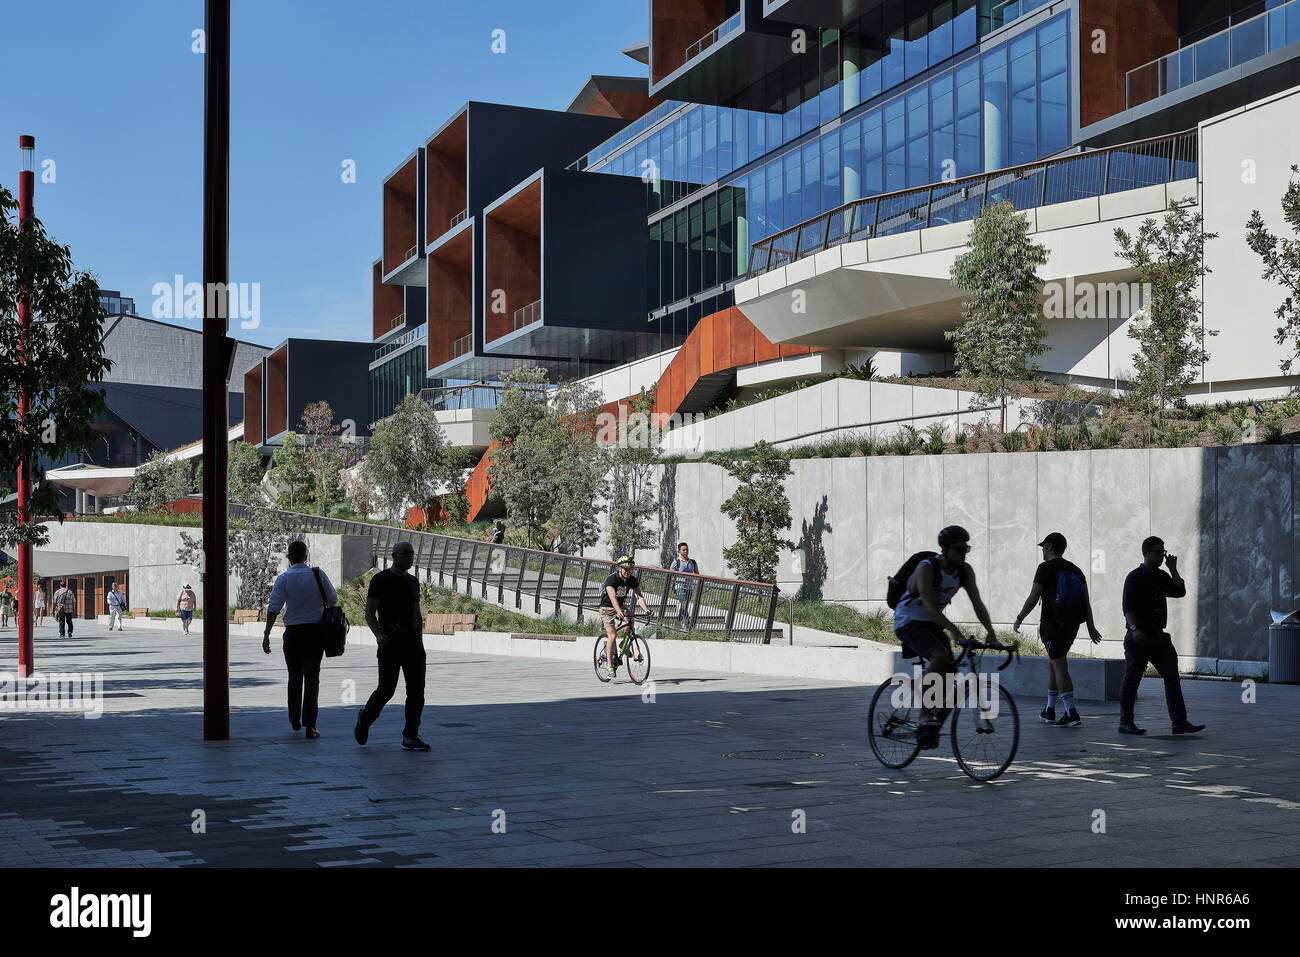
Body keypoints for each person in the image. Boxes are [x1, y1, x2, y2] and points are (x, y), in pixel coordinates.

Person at [892, 525, 998, 748]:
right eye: (959, 549)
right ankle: (923, 714)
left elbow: (977, 603)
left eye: (966, 549)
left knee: (951, 672)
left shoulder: (965, 571)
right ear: (945, 549)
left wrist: (990, 632)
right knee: (940, 655)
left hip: (930, 622)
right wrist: (954, 631)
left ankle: (931, 720)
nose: (963, 554)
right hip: (908, 619)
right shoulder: (927, 568)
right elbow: (929, 606)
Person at [1013, 532, 1102, 727]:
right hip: (1071, 625)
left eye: (1044, 547)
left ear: (1050, 546)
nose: (1043, 551)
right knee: (1053, 662)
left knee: (1059, 665)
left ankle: (1071, 712)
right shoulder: (1076, 570)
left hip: (1053, 625)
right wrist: (1091, 626)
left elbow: (1032, 598)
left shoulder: (1045, 568)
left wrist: (1020, 618)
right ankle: (1049, 709)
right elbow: (1086, 602)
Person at [1119, 537, 1205, 736]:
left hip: (1158, 637)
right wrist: (1134, 629)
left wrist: (1173, 568)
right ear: (1146, 553)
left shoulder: (1161, 576)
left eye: (1162, 552)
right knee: (1132, 679)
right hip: (1138, 637)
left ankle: (1179, 722)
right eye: (1157, 552)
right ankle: (1125, 722)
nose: (1161, 556)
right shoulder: (1134, 577)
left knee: (1172, 676)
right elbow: (1128, 608)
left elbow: (1180, 591)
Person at [355, 541, 431, 751]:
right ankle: (366, 717)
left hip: (413, 645)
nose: (410, 557)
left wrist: (420, 642)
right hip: (390, 643)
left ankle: (410, 735)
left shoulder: (413, 582)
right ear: (394, 555)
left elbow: (416, 614)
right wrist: (379, 636)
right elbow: (370, 613)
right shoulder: (380, 580)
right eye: (406, 553)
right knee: (386, 690)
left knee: (417, 692)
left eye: (412, 554)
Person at [263, 540, 336, 740]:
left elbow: (274, 608)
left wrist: (267, 634)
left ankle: (294, 718)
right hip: (315, 633)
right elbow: (333, 599)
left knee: (294, 677)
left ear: (289, 558)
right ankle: (310, 725)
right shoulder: (318, 575)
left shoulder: (284, 579)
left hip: (293, 634)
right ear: (306, 555)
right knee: (312, 678)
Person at [600, 556, 652, 680]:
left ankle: (624, 642)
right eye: (625, 569)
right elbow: (612, 597)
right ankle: (610, 666)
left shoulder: (632, 580)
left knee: (631, 619)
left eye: (630, 569)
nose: (628, 572)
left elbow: (639, 596)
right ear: (619, 568)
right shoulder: (611, 579)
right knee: (612, 635)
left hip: (621, 606)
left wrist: (646, 610)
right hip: (607, 608)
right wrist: (618, 611)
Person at [669, 542, 698, 629]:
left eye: (687, 549)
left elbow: (697, 574)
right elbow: (670, 573)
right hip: (679, 587)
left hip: (689, 587)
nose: (686, 551)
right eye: (683, 550)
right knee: (684, 603)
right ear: (679, 551)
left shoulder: (692, 562)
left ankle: (677, 621)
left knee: (684, 605)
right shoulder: (676, 562)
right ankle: (688, 624)